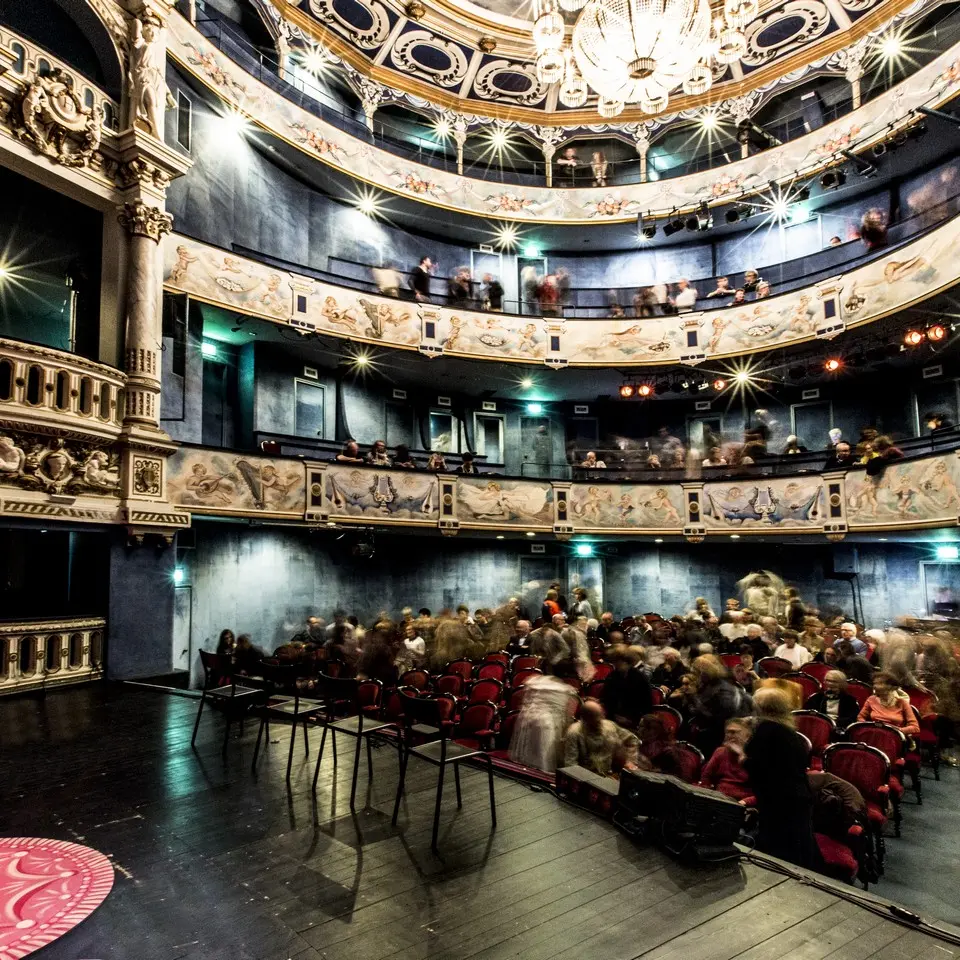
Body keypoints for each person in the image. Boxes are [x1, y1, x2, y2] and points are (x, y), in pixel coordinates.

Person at [744, 687, 821, 869]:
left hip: (779, 800)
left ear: (761, 707)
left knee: (780, 852)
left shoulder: (766, 730)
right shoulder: (789, 731)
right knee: (799, 848)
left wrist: (742, 755)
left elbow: (755, 765)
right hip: (796, 798)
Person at [510, 665, 580, 773]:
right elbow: (567, 715)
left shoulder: (534, 682)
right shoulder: (565, 690)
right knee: (543, 758)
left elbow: (525, 702)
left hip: (528, 720)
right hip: (547, 724)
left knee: (527, 756)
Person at [564, 699, 639, 777]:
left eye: (601, 717)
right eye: (596, 720)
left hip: (609, 775)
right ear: (586, 719)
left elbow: (632, 739)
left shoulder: (609, 726)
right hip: (585, 778)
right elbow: (571, 765)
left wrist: (630, 761)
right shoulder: (574, 732)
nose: (601, 722)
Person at [602, 645, 654, 730]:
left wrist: (630, 720)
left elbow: (646, 705)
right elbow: (607, 699)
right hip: (613, 718)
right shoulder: (612, 676)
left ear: (626, 661)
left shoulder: (640, 678)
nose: (614, 664)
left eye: (617, 661)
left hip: (634, 720)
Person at [701, 718, 753, 801]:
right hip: (719, 798)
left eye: (733, 732)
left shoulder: (757, 755)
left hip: (744, 802)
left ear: (747, 735)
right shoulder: (720, 752)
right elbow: (706, 778)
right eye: (727, 732)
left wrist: (746, 802)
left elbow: (764, 790)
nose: (729, 735)